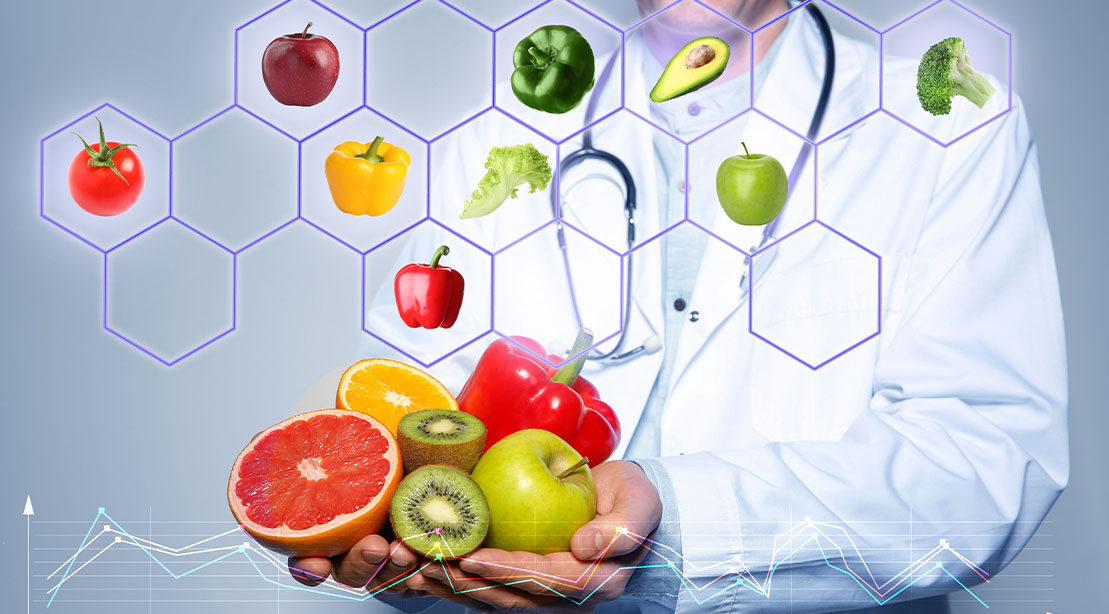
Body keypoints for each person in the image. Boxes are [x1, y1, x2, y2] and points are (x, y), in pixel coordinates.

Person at [289, 0, 1068, 612]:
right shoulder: (500, 136)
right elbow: (410, 411)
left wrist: (679, 520)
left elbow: (982, 469)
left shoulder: (948, 128)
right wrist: (358, 511)